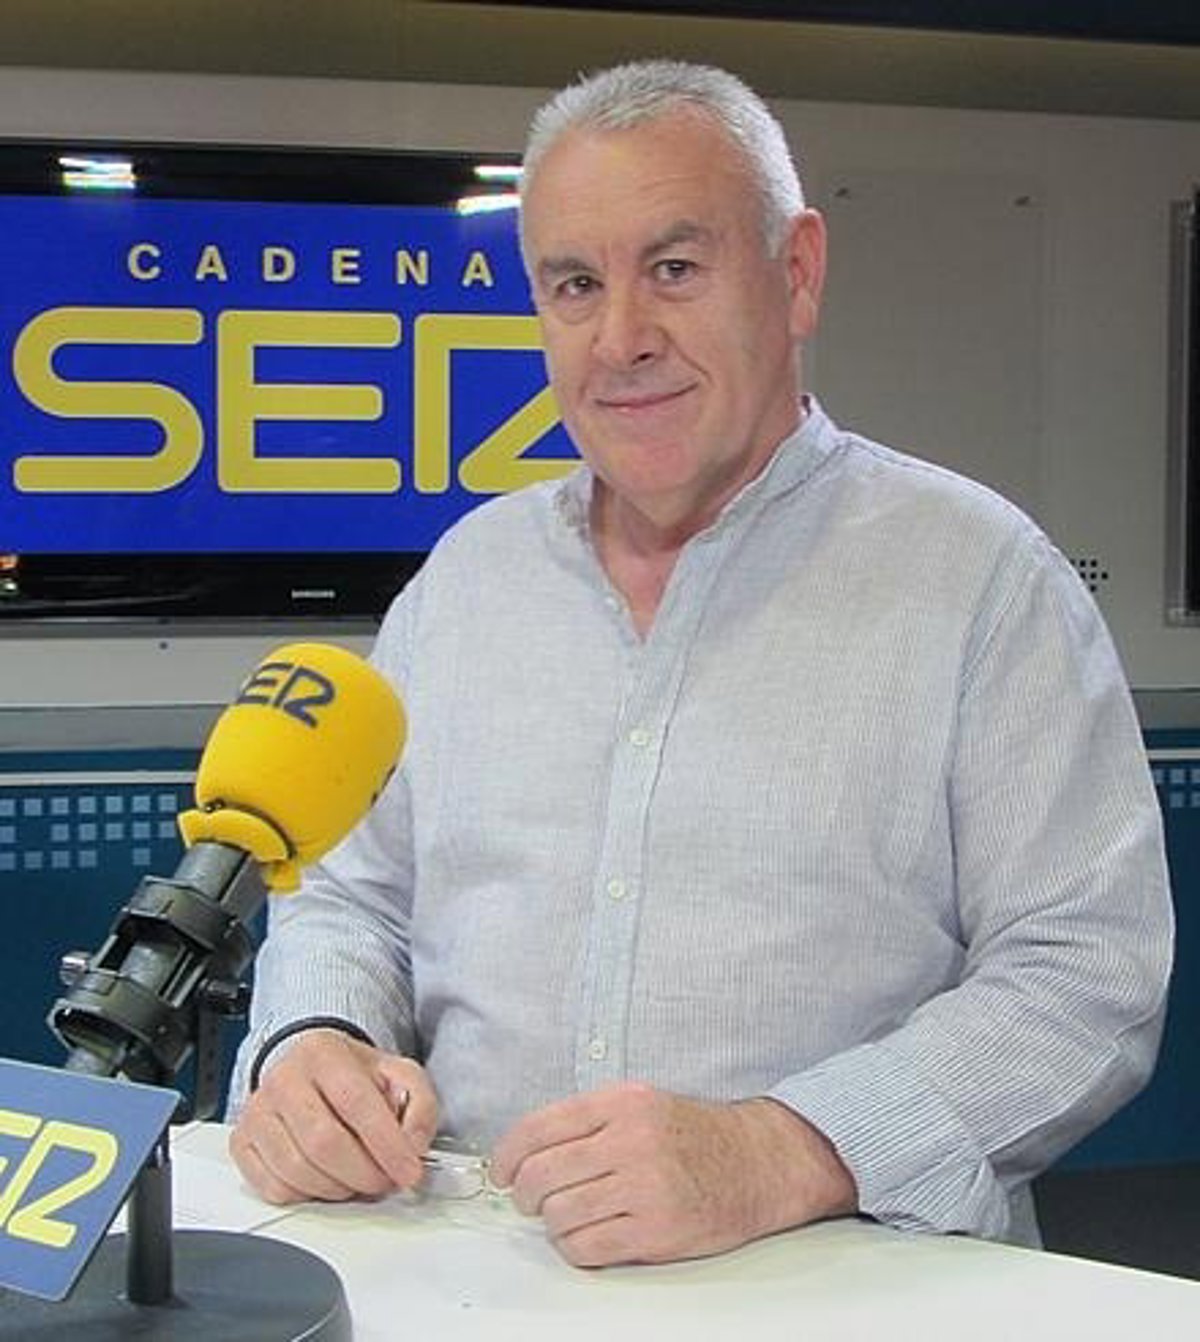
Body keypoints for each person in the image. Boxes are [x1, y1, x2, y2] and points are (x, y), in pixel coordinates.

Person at [227, 59, 1173, 1267]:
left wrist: (785, 1149)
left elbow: (1087, 976)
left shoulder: (982, 581)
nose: (622, 339)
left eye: (675, 268)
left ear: (798, 272)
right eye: (576, 284)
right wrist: (315, 1037)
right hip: (475, 1276)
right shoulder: (463, 582)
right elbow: (350, 899)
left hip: (847, 1289)